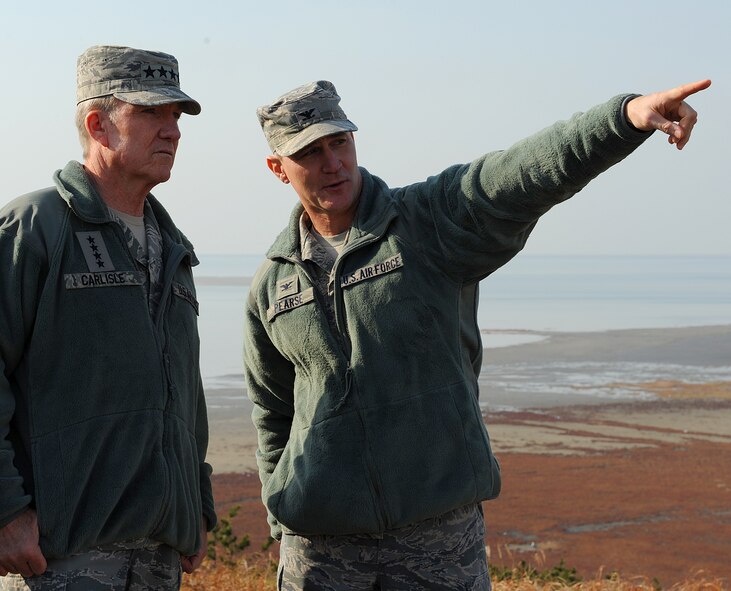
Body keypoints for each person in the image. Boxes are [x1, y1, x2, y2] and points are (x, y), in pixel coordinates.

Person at [244, 78, 710, 590]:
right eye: (309, 153)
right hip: (318, 550)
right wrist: (282, 511)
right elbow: (273, 412)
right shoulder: (273, 284)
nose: (332, 163)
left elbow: (515, 174)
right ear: (277, 169)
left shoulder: (426, 223)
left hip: (436, 542)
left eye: (339, 142)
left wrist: (622, 118)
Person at [0, 45, 216, 590]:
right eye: (151, 112)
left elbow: (182, 391)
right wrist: (1, 515)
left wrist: (196, 503)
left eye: (176, 116)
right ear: (97, 124)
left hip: (158, 558)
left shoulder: (175, 249)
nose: (173, 130)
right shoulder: (32, 228)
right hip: (62, 560)